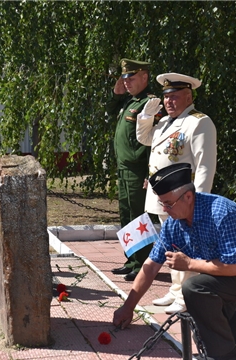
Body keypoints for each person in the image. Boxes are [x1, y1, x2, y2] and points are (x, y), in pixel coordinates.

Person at [112, 163, 236, 360]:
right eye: (162, 204)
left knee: (194, 289)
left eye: (168, 203)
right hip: (218, 271)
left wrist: (189, 264)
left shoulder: (222, 212)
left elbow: (235, 268)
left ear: (188, 197)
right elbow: (150, 267)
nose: (165, 209)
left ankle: (225, 357)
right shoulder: (173, 223)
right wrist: (128, 307)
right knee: (205, 328)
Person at [136, 72, 217, 313]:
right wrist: (146, 116)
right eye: (167, 97)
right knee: (172, 245)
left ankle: (188, 296)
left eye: (175, 96)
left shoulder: (199, 122)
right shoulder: (163, 123)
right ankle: (175, 290)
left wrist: (198, 201)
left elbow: (205, 165)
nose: (169, 101)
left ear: (189, 96)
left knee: (188, 247)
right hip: (164, 198)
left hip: (185, 199)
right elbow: (144, 139)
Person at [105, 59, 163, 281]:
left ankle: (143, 265)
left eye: (131, 77)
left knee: (140, 218)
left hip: (138, 170)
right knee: (127, 215)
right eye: (124, 78)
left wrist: (150, 172)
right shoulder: (129, 102)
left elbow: (153, 141)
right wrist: (116, 94)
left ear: (145, 77)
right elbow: (110, 111)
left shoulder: (151, 104)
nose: (126, 82)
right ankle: (131, 260)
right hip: (124, 168)